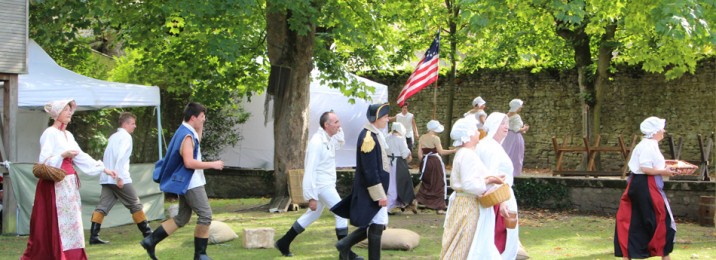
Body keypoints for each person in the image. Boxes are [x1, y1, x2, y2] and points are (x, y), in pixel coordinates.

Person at [22, 99, 118, 260]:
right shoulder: (49, 133)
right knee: (57, 222)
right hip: (55, 184)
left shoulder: (68, 134)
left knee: (72, 222)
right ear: (57, 113)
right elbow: (43, 160)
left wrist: (103, 168)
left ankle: (73, 256)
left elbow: (80, 156)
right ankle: (56, 255)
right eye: (66, 110)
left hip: (69, 183)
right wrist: (62, 155)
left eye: (70, 110)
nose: (69, 113)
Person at [141, 102, 225, 260]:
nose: (204, 119)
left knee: (182, 217)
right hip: (191, 182)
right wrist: (212, 164)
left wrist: (199, 127)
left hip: (186, 181)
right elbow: (189, 162)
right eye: (201, 117)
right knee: (205, 215)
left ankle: (151, 241)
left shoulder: (186, 130)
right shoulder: (186, 135)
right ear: (193, 117)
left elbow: (197, 143)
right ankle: (200, 255)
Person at [274, 111, 362, 259]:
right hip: (321, 186)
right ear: (326, 125)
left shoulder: (328, 138)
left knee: (312, 215)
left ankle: (284, 242)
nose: (339, 125)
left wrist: (338, 128)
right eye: (336, 122)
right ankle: (345, 253)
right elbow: (310, 169)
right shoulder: (317, 142)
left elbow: (340, 142)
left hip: (326, 184)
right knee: (341, 213)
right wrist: (311, 197)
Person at [331, 103, 391, 260]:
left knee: (377, 225)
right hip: (370, 190)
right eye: (385, 117)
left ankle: (344, 245)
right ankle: (345, 245)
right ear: (377, 118)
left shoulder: (375, 134)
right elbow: (370, 170)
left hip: (375, 190)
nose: (387, 120)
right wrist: (379, 195)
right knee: (377, 226)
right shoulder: (368, 138)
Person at [614, 117, 679, 260]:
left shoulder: (648, 144)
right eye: (661, 129)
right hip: (646, 185)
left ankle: (639, 255)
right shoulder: (648, 145)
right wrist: (664, 171)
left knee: (636, 220)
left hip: (642, 184)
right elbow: (645, 168)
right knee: (661, 219)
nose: (664, 131)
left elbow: (650, 164)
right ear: (655, 131)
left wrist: (665, 166)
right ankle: (663, 254)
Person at [440, 117, 505, 259]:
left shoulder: (465, 153)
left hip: (464, 203)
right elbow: (470, 184)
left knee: (463, 241)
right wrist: (489, 180)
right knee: (464, 242)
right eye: (475, 130)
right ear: (468, 135)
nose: (478, 132)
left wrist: (489, 178)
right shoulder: (467, 154)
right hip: (468, 206)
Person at [90, 112, 153, 245]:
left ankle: (93, 237)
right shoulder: (126, 137)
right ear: (125, 124)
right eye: (132, 123)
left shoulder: (113, 136)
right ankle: (148, 234)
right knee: (135, 204)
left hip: (107, 177)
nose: (135, 126)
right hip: (118, 177)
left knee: (102, 207)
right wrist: (119, 177)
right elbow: (120, 157)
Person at [477, 112, 523, 259]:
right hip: (497, 197)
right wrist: (501, 202)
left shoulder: (490, 145)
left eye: (507, 123)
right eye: (503, 123)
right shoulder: (491, 147)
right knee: (499, 237)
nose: (506, 126)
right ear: (494, 124)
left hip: (500, 194)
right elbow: (492, 175)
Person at [415, 120, 456, 214]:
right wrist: (453, 151)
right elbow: (441, 152)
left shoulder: (422, 137)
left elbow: (419, 153)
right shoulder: (435, 138)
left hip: (425, 161)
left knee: (426, 182)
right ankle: (439, 207)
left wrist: (422, 163)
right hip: (434, 162)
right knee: (438, 183)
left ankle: (418, 200)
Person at [385, 122, 417, 214]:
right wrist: (409, 154)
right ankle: (387, 208)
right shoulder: (400, 139)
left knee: (390, 185)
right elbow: (404, 154)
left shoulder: (386, 137)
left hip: (387, 163)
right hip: (398, 164)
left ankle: (396, 204)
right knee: (397, 186)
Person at [502, 99, 529, 177]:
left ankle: (505, 173)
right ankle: (515, 174)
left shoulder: (506, 115)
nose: (521, 108)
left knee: (507, 153)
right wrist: (524, 128)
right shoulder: (516, 116)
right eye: (520, 106)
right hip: (515, 137)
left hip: (506, 137)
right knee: (516, 156)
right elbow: (516, 129)